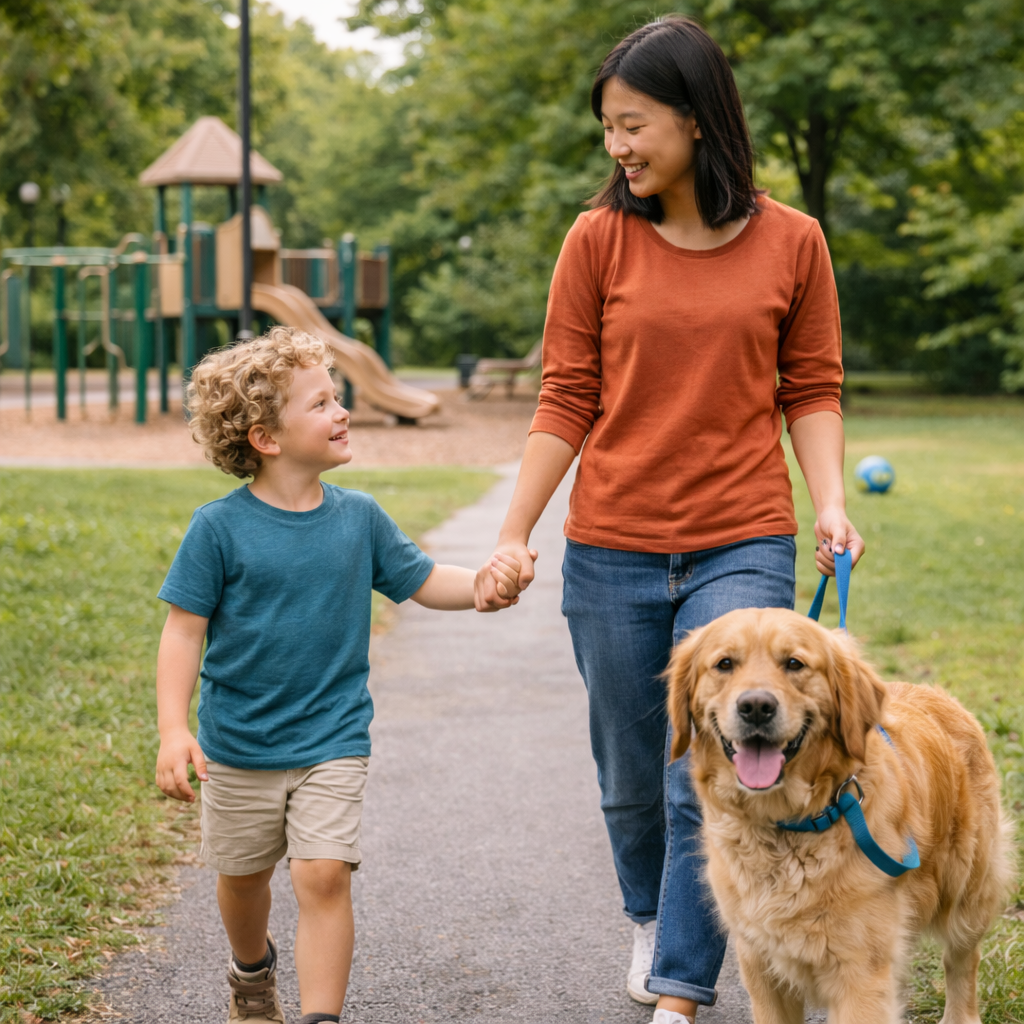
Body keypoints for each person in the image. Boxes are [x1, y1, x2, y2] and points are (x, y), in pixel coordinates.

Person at [474, 16, 865, 1024]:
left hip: (739, 533)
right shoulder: (597, 239)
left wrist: (827, 501)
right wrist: (517, 529)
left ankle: (682, 992)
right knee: (628, 773)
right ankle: (648, 915)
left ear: (695, 120)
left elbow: (810, 385)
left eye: (633, 123)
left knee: (720, 762)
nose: (619, 147)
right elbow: (565, 396)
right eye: (608, 128)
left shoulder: (793, 241)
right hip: (611, 545)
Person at [154, 327, 519, 1024]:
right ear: (266, 437)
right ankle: (251, 970)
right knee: (241, 880)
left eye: (338, 396)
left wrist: (480, 587)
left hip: (332, 738)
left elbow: (419, 579)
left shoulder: (359, 518)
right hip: (237, 745)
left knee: (322, 875)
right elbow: (183, 632)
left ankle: (323, 1016)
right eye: (321, 402)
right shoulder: (218, 530)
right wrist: (174, 729)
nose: (342, 410)